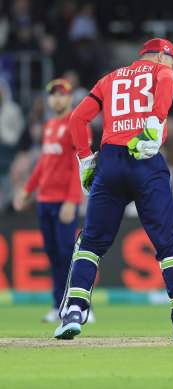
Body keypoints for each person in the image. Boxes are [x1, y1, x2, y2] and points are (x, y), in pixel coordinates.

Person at [53, 38, 173, 341]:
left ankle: (73, 311)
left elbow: (77, 118)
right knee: (169, 243)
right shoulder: (161, 72)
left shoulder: (109, 79)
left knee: (91, 242)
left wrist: (86, 159)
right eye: (172, 62)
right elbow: (167, 78)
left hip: (109, 160)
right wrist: (154, 122)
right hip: (144, 158)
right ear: (161, 56)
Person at [12, 79, 93, 323]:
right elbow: (44, 164)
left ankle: (80, 306)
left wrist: (72, 201)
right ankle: (59, 304)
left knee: (68, 253)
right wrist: (27, 190)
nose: (56, 99)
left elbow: (78, 165)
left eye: (62, 94)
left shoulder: (77, 124)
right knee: (53, 254)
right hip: (45, 200)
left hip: (62, 200)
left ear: (70, 98)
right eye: (53, 95)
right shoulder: (49, 125)